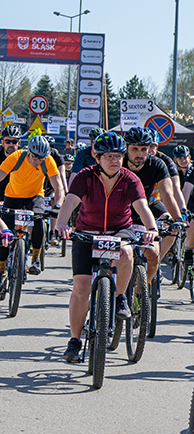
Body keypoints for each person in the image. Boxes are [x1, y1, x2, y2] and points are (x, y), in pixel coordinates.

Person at [54, 132, 158, 363]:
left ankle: (121, 296)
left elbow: (142, 207)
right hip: (87, 232)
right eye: (109, 156)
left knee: (126, 252)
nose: (115, 161)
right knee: (81, 288)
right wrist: (61, 223)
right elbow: (71, 201)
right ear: (97, 157)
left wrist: (151, 228)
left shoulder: (130, 179)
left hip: (118, 230)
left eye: (119, 156)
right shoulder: (84, 176)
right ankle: (75, 340)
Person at [123, 127, 183, 283]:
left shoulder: (157, 164)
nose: (140, 154)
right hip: (120, 211)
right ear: (126, 147)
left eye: (144, 149)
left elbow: (167, 194)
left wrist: (178, 218)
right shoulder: (118, 162)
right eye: (135, 149)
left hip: (146, 209)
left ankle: (142, 287)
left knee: (156, 252)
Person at [0, 135, 65, 278]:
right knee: (6, 233)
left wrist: (58, 205)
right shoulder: (16, 157)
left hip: (35, 196)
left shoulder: (48, 161)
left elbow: (59, 187)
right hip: (13, 196)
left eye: (40, 159)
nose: (37, 162)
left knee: (38, 219)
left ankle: (36, 257)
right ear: (28, 152)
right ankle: (2, 267)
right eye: (35, 158)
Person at [0, 125, 22, 204]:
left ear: (19, 143)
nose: (11, 145)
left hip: (18, 197)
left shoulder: (25, 156)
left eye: (14, 142)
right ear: (2, 142)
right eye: (7, 141)